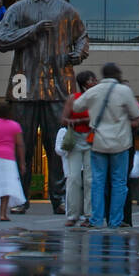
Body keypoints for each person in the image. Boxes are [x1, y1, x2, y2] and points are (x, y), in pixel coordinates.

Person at [0, 0, 90, 214]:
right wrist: (32, 30)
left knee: (57, 145)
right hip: (23, 84)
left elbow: (82, 37)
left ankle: (58, 199)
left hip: (58, 84)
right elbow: (2, 40)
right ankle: (19, 199)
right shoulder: (17, 9)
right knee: (21, 146)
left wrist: (77, 55)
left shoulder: (65, 10)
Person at [71, 62, 139, 229]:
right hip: (120, 143)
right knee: (119, 183)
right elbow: (135, 114)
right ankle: (115, 221)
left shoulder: (94, 91)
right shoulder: (124, 91)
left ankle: (96, 220)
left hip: (98, 142)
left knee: (97, 182)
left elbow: (77, 106)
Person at [59, 70, 97, 227]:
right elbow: (62, 119)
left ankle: (89, 215)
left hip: (90, 138)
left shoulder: (95, 98)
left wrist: (79, 119)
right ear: (85, 83)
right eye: (92, 79)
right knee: (73, 177)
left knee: (89, 179)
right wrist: (80, 120)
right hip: (76, 138)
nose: (95, 81)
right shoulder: (73, 98)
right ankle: (72, 214)